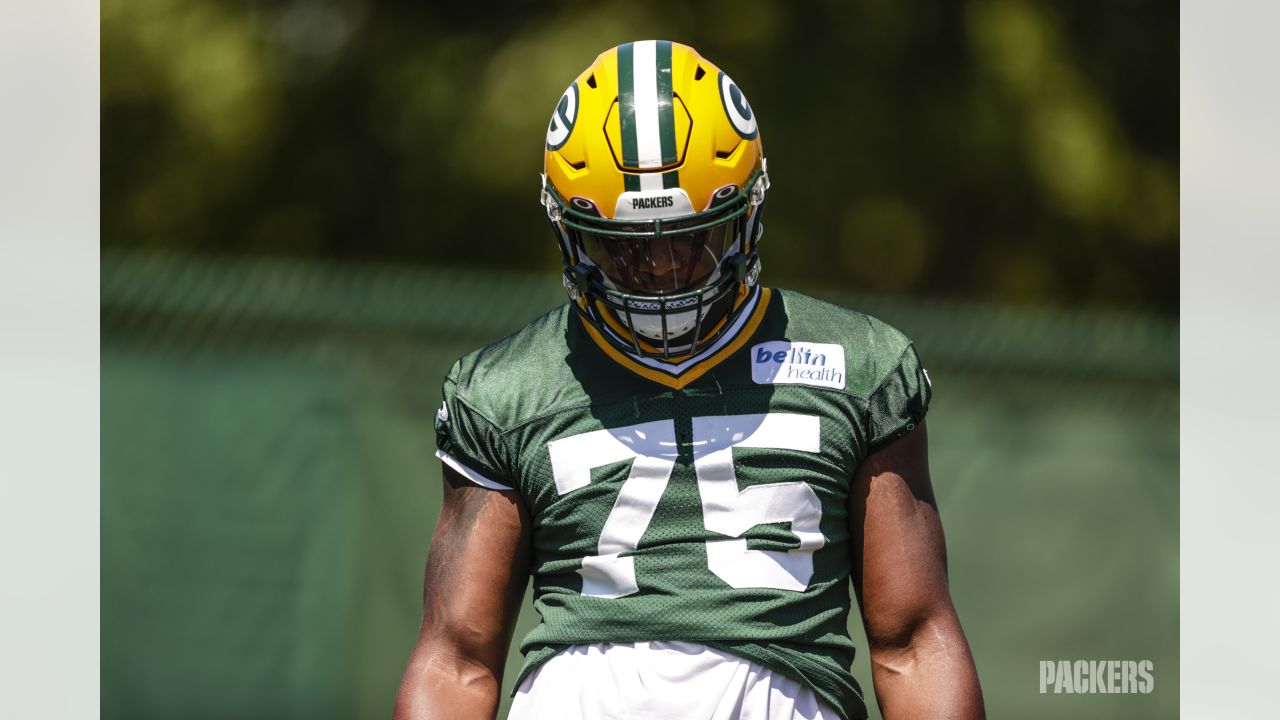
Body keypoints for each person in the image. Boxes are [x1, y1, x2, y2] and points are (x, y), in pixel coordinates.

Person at [393, 40, 984, 720]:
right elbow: (458, 657)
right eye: (623, 245)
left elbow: (913, 639)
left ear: (748, 213)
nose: (658, 270)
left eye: (687, 240)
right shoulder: (507, 389)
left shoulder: (860, 368)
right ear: (569, 228)